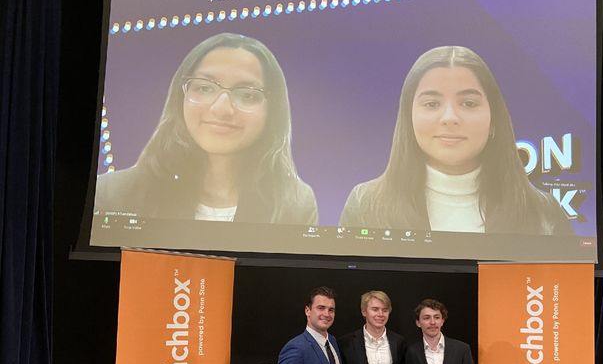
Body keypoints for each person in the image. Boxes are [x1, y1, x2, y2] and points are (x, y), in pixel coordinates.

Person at [339, 45, 570, 235]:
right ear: (408, 118)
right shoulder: (365, 205)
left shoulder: (544, 213)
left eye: (468, 103)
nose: (449, 118)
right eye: (431, 104)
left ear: (494, 120)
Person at [95, 32, 317, 224]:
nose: (221, 108)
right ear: (180, 97)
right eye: (204, 88)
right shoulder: (111, 193)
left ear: (273, 112)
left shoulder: (295, 204)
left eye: (247, 94)